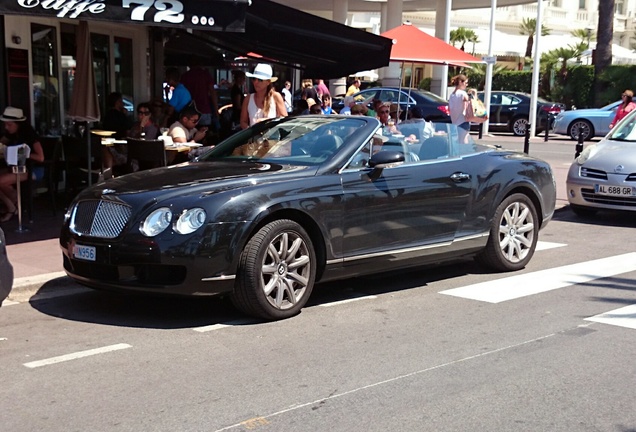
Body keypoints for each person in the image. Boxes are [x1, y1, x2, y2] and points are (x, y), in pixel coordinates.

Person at [0, 107, 45, 222]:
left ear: (18, 124)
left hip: (32, 169)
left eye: (9, 125)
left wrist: (24, 153)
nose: (6, 127)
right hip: (16, 168)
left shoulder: (29, 135)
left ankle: (12, 207)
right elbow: (1, 144)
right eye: (5, 124)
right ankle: (15, 203)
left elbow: (40, 157)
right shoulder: (11, 134)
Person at [240, 63, 287, 129]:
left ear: (268, 82)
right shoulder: (248, 99)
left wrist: (266, 121)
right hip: (254, 138)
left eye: (260, 80)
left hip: (272, 138)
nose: (256, 82)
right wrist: (250, 132)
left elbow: (284, 120)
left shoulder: (276, 96)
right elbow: (243, 122)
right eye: (254, 79)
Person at [180, 59, 219, 132]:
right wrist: (216, 110)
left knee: (189, 133)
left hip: (189, 111)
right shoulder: (205, 75)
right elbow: (212, 92)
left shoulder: (185, 76)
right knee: (204, 133)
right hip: (204, 109)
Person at [448, 74, 470, 143]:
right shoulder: (462, 93)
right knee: (464, 140)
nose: (466, 85)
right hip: (463, 120)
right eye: (466, 83)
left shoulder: (452, 95)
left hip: (455, 122)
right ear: (460, 82)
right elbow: (468, 103)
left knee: (457, 141)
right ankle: (465, 153)